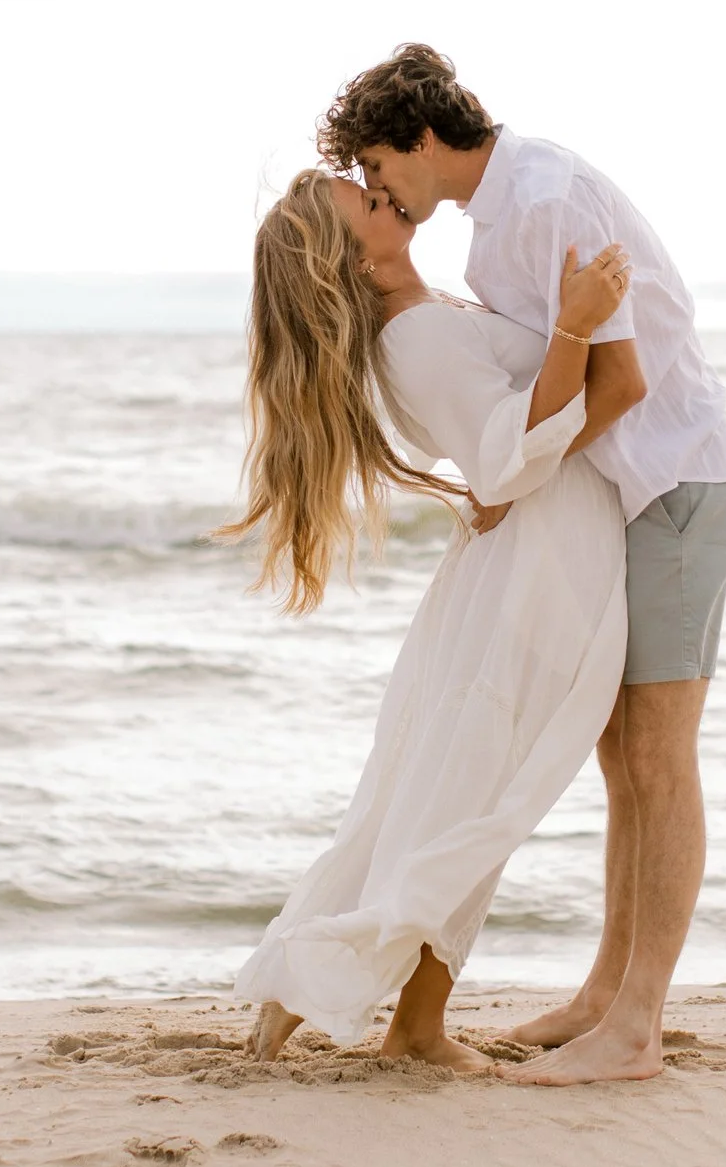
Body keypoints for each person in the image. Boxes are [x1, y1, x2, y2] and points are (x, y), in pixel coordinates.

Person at [320, 43, 726, 1086]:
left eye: (381, 166)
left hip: (675, 483)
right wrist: (501, 475)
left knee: (658, 756)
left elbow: (622, 379)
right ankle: (604, 993)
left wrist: (509, 476)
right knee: (622, 758)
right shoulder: (496, 229)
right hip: (638, 489)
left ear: (423, 138)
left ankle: (635, 1025)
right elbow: (541, 395)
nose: (380, 188)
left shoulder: (544, 201)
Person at [223, 168, 639, 1071]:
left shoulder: (423, 314)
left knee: (462, 793)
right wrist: (575, 324)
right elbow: (508, 460)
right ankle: (378, 1007)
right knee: (475, 798)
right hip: (540, 560)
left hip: (534, 553)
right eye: (361, 205)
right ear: (347, 262)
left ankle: (354, 996)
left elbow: (501, 453)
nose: (381, 196)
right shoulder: (412, 337)